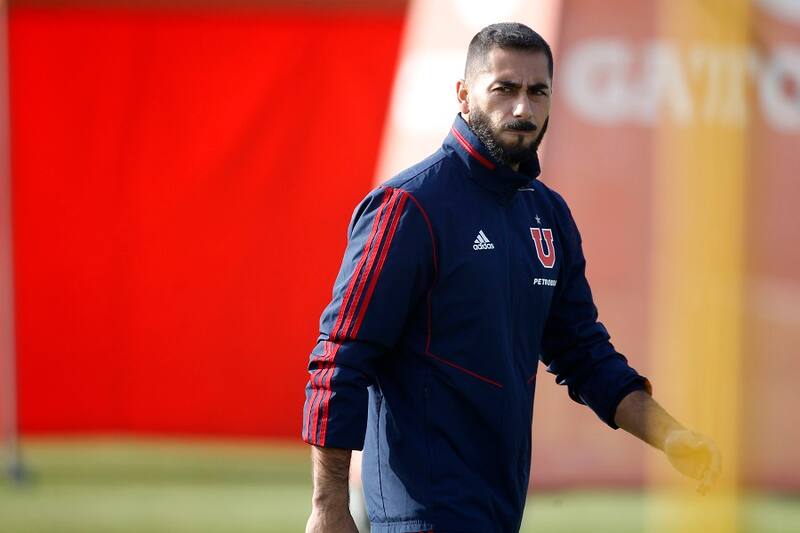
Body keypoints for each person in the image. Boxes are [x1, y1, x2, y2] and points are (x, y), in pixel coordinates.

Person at [302, 22, 721, 533]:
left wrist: (671, 436)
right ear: (463, 94)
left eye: (537, 91)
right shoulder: (409, 206)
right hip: (421, 515)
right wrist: (328, 506)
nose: (522, 108)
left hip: (501, 511)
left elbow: (584, 353)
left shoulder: (549, 215)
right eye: (504, 89)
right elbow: (340, 357)